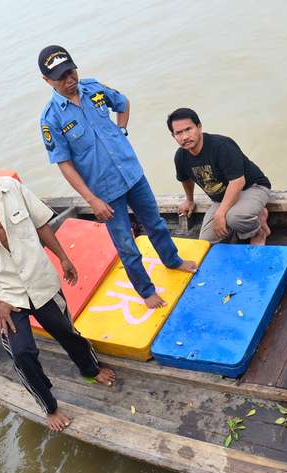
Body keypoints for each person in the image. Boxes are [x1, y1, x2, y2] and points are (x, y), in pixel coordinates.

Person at [0, 134, 115, 433]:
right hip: (7, 298)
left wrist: (64, 258)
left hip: (40, 280)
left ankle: (90, 368)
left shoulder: (11, 188)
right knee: (21, 354)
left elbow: (41, 223)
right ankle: (49, 405)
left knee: (66, 331)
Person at [37, 45, 197, 309]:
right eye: (61, 77)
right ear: (47, 81)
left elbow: (122, 103)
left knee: (156, 223)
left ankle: (173, 260)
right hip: (104, 192)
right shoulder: (50, 119)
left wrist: (121, 130)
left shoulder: (94, 89)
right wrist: (92, 200)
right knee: (126, 245)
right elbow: (64, 164)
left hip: (132, 174)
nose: (69, 79)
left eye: (71, 71)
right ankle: (146, 292)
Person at [166, 108, 273, 245]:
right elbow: (185, 179)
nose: (185, 136)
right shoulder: (181, 157)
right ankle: (251, 215)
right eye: (179, 133)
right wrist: (189, 200)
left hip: (252, 187)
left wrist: (221, 213)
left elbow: (238, 182)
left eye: (188, 129)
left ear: (199, 127)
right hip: (221, 198)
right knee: (206, 242)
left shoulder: (221, 146)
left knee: (235, 217)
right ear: (173, 136)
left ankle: (259, 230)